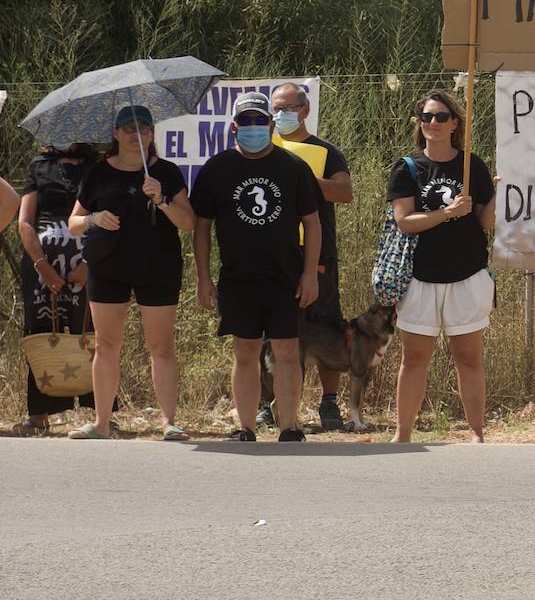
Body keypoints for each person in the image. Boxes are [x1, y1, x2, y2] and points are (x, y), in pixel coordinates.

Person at [192, 92, 320, 443]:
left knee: (287, 352)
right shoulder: (217, 169)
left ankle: (290, 427)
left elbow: (312, 222)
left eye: (259, 121)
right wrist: (203, 277)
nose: (252, 128)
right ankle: (245, 427)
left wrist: (310, 274)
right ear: (234, 126)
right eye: (245, 122)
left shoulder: (293, 168)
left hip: (286, 278)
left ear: (270, 124)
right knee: (245, 351)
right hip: (237, 279)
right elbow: (201, 226)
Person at [66, 107, 196, 440]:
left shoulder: (165, 172)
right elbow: (74, 223)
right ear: (115, 133)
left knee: (162, 346)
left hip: (158, 266)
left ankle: (169, 422)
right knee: (107, 345)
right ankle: (101, 423)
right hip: (108, 266)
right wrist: (96, 219)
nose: (136, 134)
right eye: (128, 127)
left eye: (144, 128)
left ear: (152, 133)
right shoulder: (97, 173)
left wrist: (162, 199)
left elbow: (189, 222)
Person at [386, 90, 496, 444]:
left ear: (455, 123)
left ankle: (477, 434)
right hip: (422, 276)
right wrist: (446, 213)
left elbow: (484, 223)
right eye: (426, 116)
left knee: (468, 357)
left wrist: (497, 193)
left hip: (467, 274)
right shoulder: (407, 168)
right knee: (415, 357)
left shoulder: (471, 165)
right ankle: (403, 435)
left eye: (440, 116)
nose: (433, 123)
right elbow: (405, 221)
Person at [253, 81, 353, 432]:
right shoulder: (264, 149)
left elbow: (344, 192)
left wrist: (305, 177)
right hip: (273, 255)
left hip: (318, 255)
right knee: (271, 334)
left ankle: (328, 403)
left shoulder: (325, 152)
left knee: (325, 329)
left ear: (305, 111)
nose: (280, 115)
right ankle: (268, 405)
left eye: (287, 108)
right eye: (275, 109)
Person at [14, 144, 98, 435]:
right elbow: (25, 222)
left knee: (93, 332)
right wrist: (43, 266)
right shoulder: (39, 165)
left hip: (88, 263)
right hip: (42, 267)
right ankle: (38, 415)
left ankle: (101, 415)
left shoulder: (99, 168)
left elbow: (107, 217)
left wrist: (88, 264)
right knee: (39, 332)